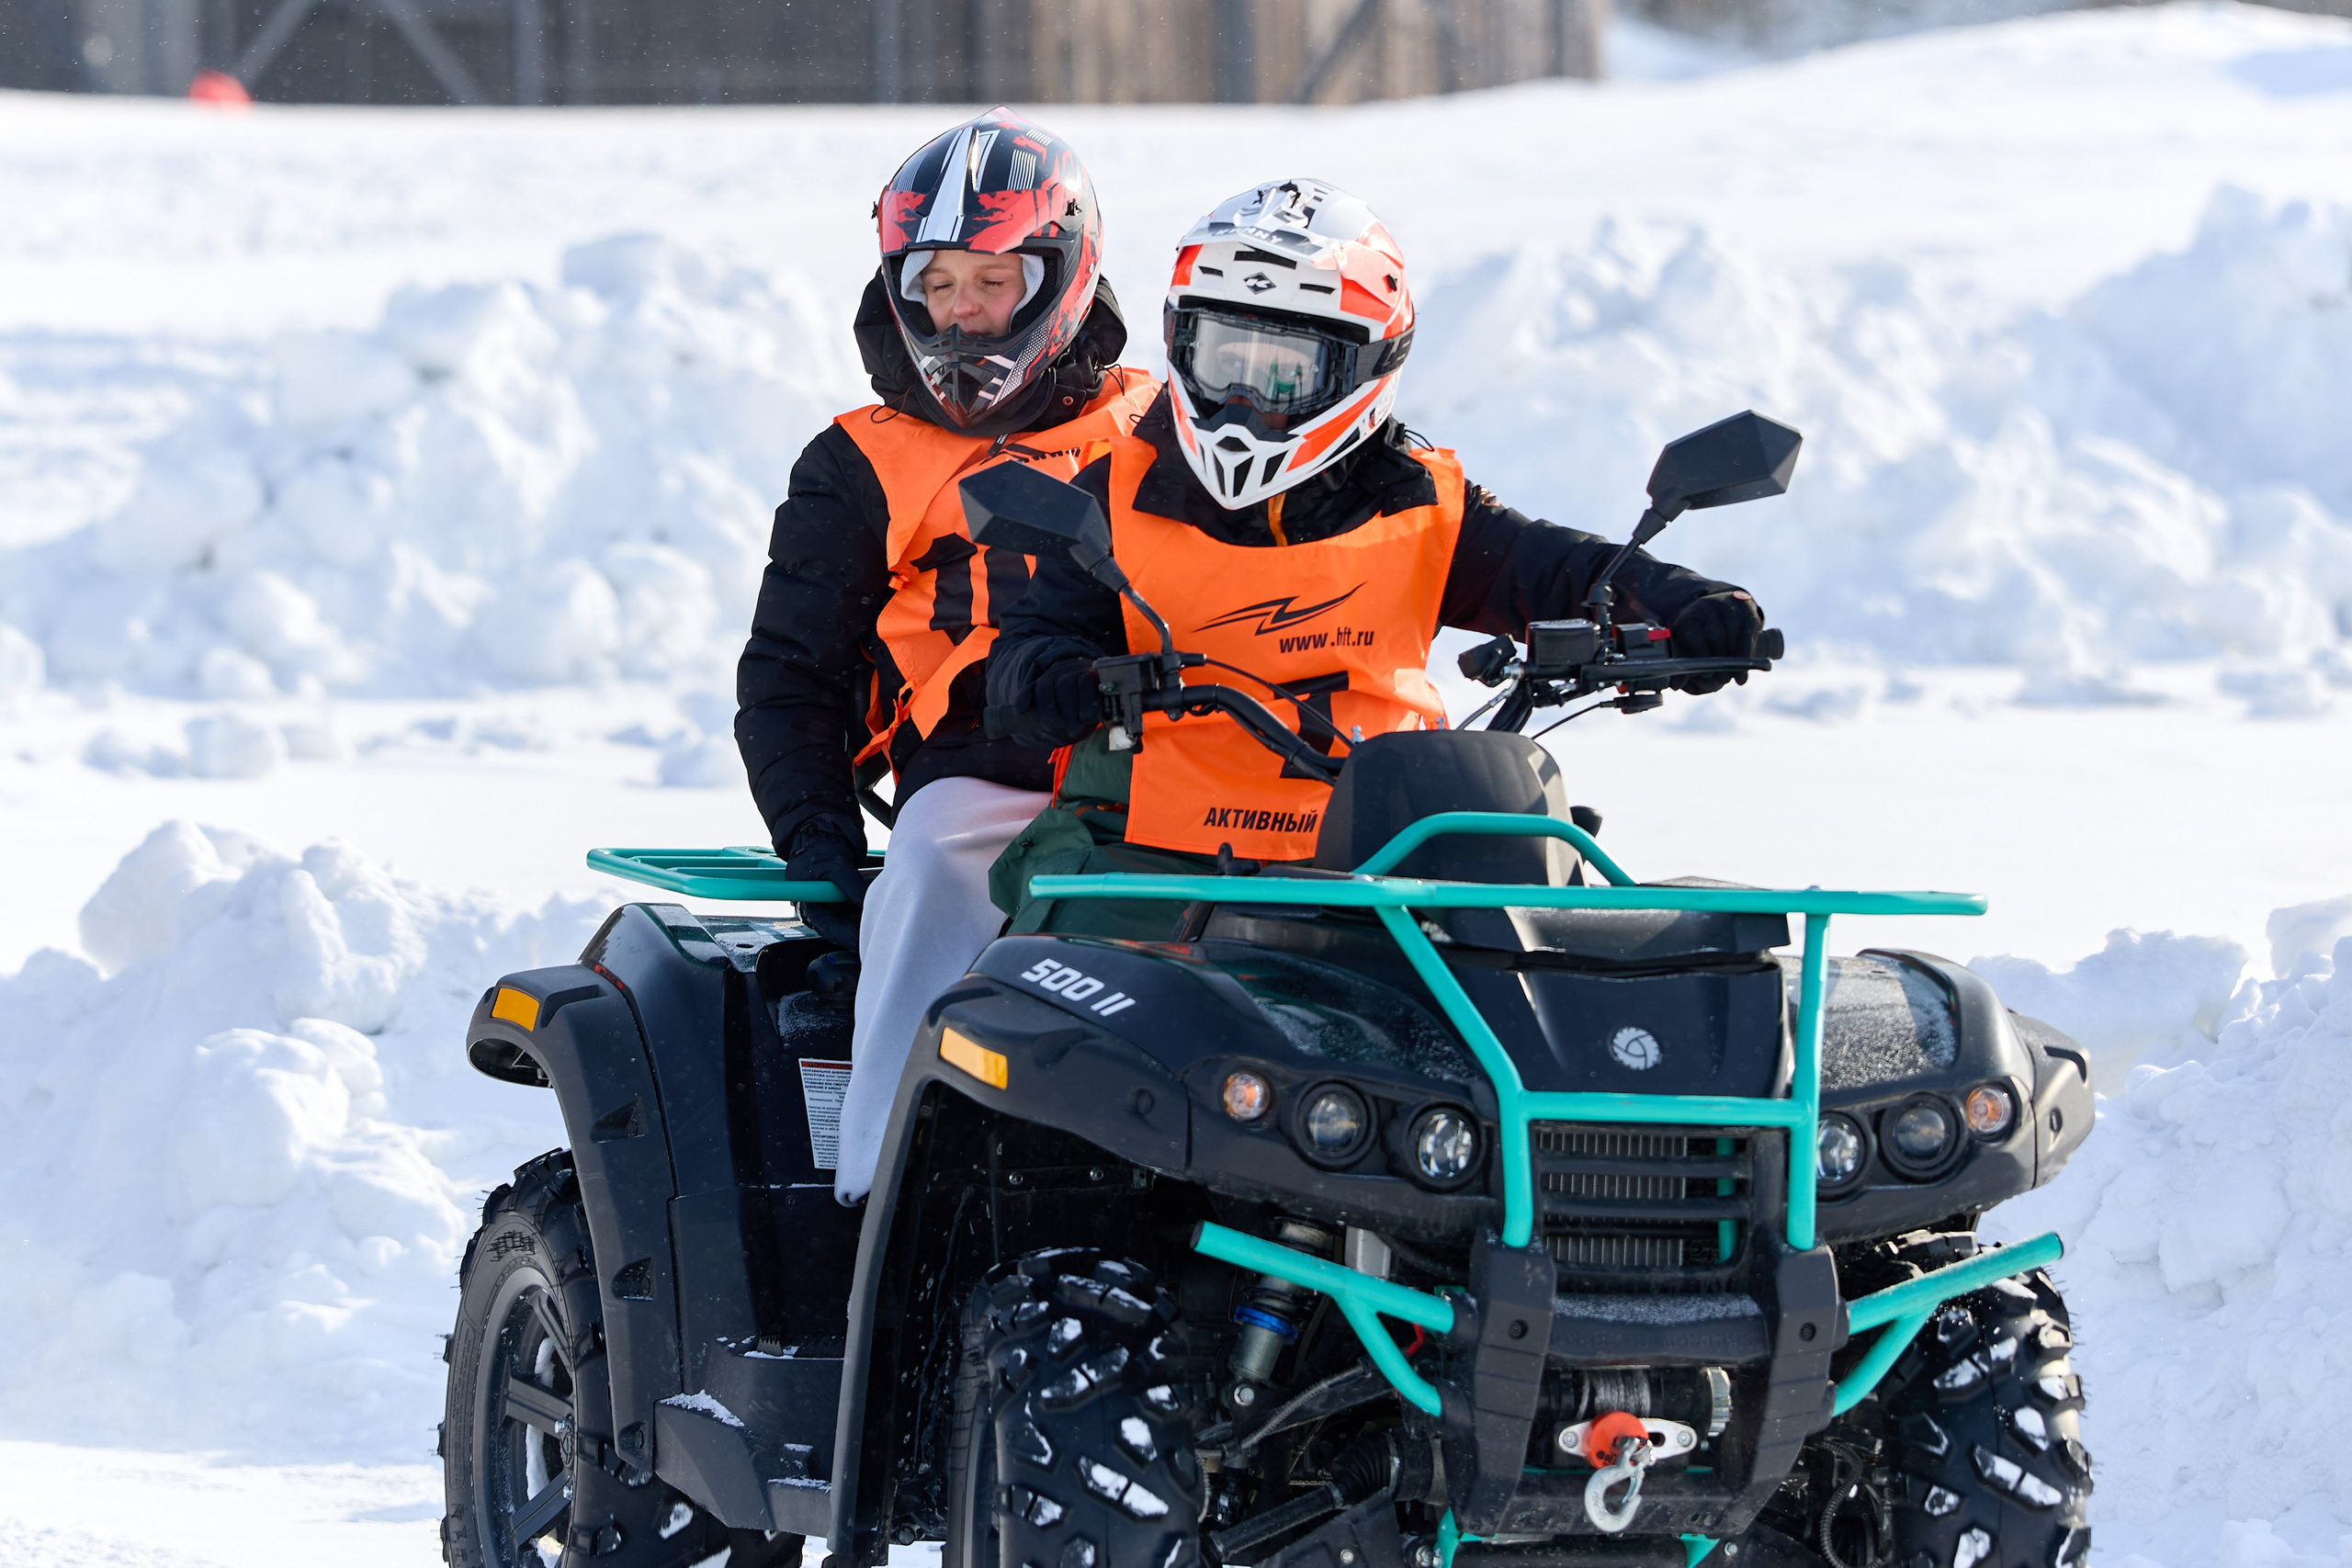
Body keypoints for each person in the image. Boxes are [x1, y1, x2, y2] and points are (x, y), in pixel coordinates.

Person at [985, 177, 1766, 920]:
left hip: (1389, 857)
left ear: (1363, 368)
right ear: (1181, 342)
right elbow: (1024, 654)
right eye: (1226, 360)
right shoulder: (1112, 497)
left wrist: (1688, 606)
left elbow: (1570, 572)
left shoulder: (1421, 506)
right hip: (1154, 857)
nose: (1246, 402)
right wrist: (1070, 681)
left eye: (1286, 371)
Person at [734, 108, 1158, 1203]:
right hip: (977, 774)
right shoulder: (859, 461)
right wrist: (817, 837)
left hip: (1176, 761)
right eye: (937, 284)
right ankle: (882, 1189)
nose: (961, 314)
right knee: (929, 863)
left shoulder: (1161, 425)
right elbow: (790, 675)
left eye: (992, 280)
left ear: (1060, 278)